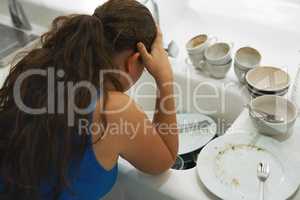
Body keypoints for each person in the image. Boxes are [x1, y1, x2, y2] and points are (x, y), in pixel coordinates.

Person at [0, 0, 178, 199]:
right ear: (134, 60)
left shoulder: (38, 72)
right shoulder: (114, 110)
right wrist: (165, 78)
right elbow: (165, 159)